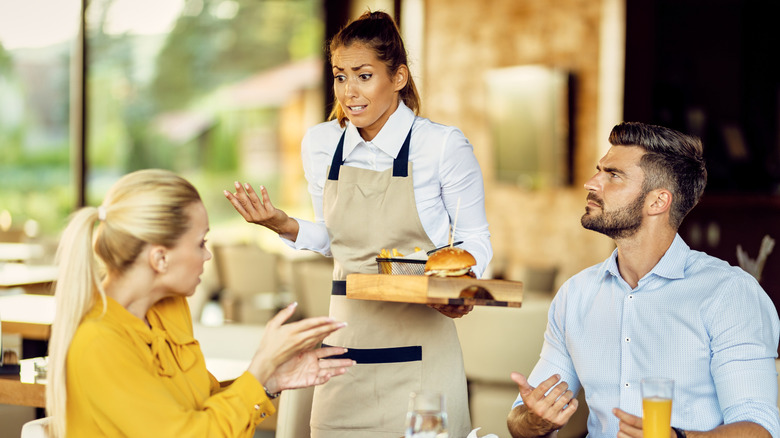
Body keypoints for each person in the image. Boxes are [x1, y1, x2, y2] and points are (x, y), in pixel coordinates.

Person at [223, 10, 492, 438]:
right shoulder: (321, 143)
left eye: (364, 76)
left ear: (398, 77)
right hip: (344, 359)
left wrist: (461, 287)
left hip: (422, 360)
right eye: (340, 76)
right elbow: (339, 242)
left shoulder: (440, 146)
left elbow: (474, 238)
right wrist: (283, 225)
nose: (349, 92)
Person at [506, 122, 780, 438]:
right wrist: (537, 420)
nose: (591, 183)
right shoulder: (575, 295)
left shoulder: (730, 294)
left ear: (657, 202)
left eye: (613, 175)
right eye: (599, 171)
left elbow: (760, 429)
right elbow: (520, 421)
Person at [45, 169, 354, 438]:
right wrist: (260, 366)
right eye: (200, 243)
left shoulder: (167, 310)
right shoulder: (99, 343)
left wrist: (269, 382)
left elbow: (202, 408)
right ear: (160, 258)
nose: (207, 256)